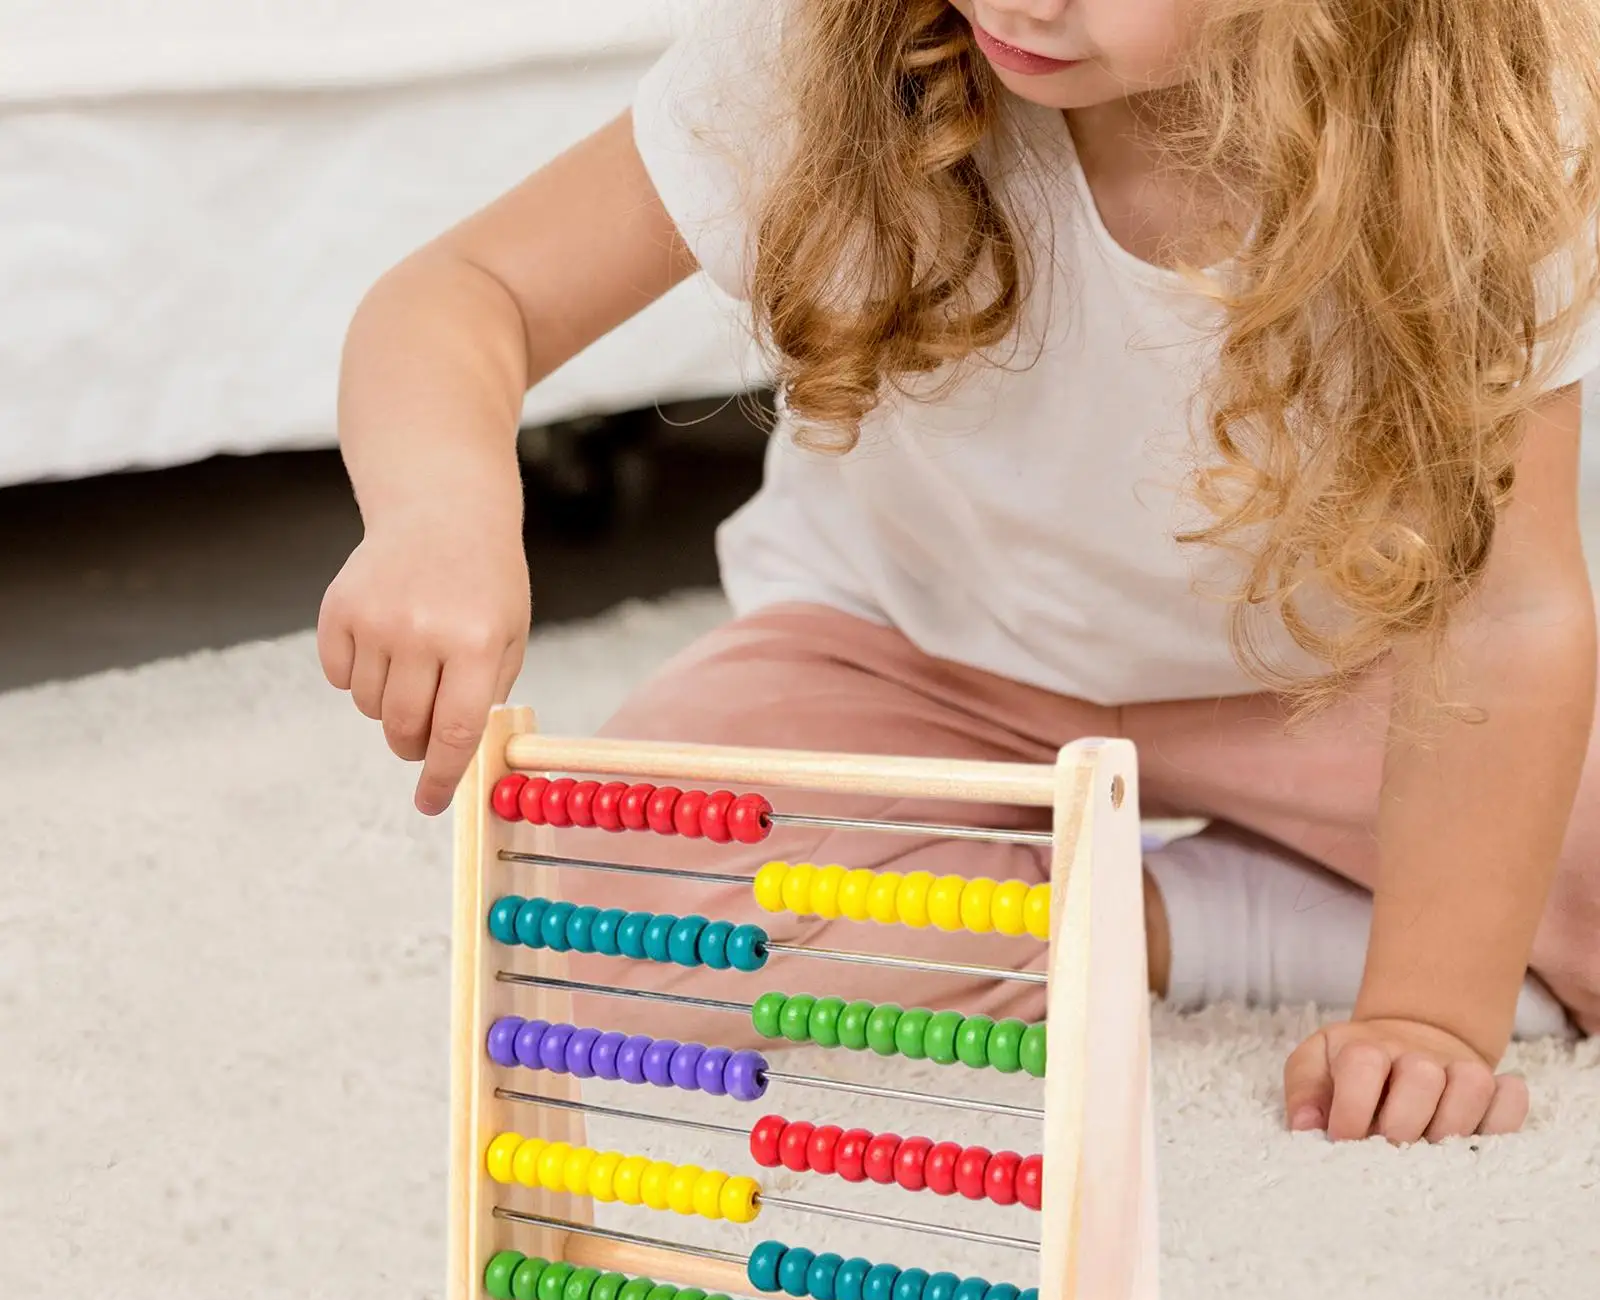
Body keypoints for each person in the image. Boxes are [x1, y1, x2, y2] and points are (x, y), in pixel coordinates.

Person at [322, 0, 1600, 1143]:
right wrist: (442, 516)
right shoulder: (825, 40)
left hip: (1333, 684)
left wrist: (1431, 1016)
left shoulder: (1488, 112)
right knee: (606, 918)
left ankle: (1242, 905)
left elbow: (1509, 607)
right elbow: (466, 290)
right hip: (922, 655)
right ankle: (1192, 919)